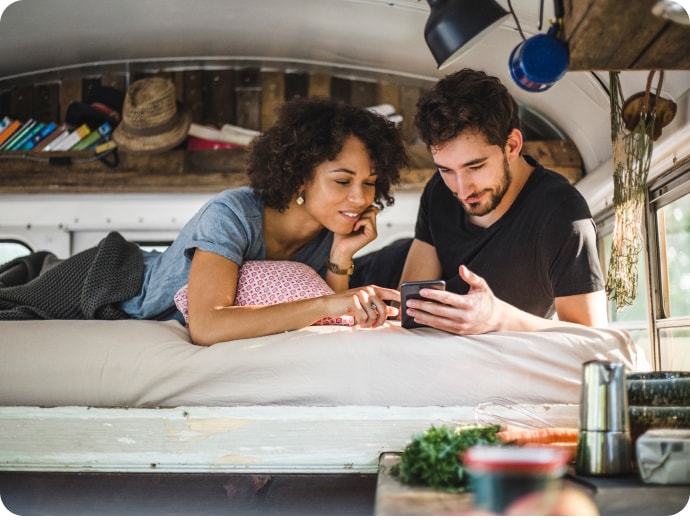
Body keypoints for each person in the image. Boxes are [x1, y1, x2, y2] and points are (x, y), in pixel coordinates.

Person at [0, 97, 407, 345]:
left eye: (371, 183)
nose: (361, 198)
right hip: (112, 279)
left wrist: (341, 255)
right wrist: (329, 300)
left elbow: (328, 319)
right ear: (300, 174)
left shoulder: (328, 234)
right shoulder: (232, 214)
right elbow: (207, 325)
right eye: (343, 181)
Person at [398, 68, 607, 334]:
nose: (461, 190)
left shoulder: (563, 214)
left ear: (512, 146)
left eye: (475, 167)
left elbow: (591, 338)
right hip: (379, 271)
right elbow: (412, 311)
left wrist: (498, 318)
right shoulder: (439, 191)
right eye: (446, 170)